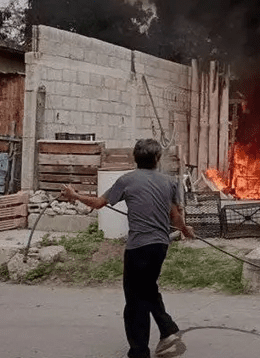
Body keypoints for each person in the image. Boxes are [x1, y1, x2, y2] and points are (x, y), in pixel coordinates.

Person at [60, 139, 194, 358]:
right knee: (148, 288)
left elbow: (97, 203)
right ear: (157, 159)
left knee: (134, 300)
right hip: (160, 246)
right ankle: (168, 329)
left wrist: (74, 196)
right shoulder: (170, 182)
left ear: (135, 158)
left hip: (138, 247)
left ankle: (140, 351)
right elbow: (175, 216)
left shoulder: (126, 180)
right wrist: (186, 230)